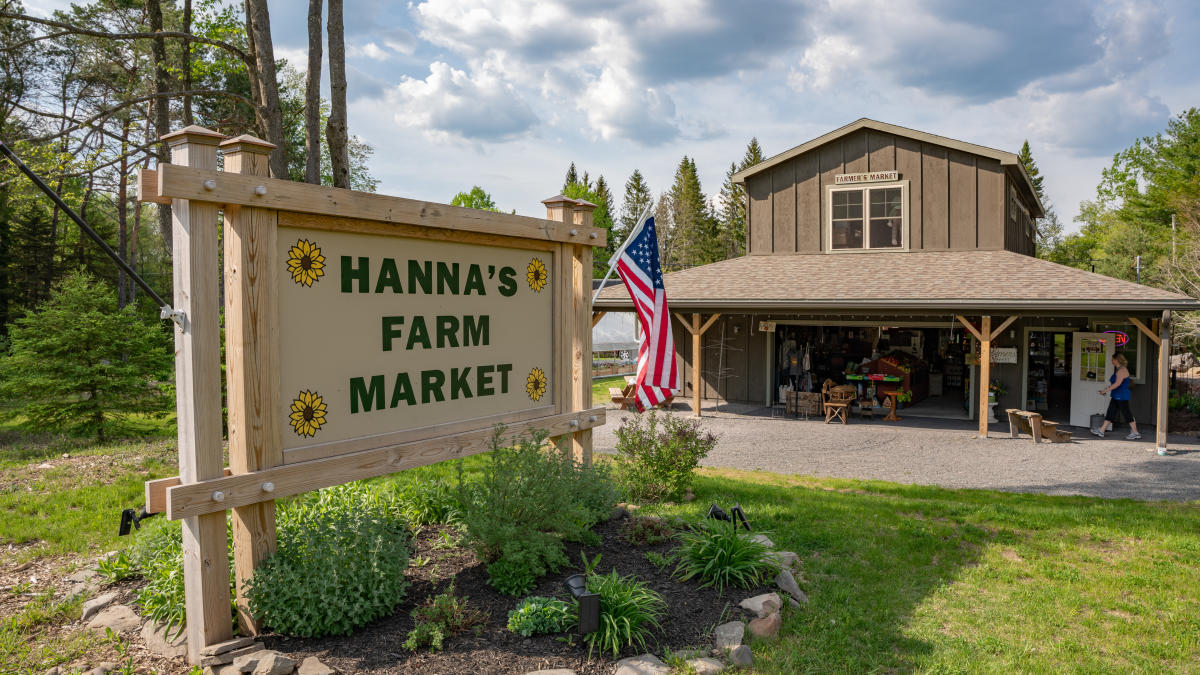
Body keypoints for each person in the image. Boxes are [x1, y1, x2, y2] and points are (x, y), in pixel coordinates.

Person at [1091, 353, 1140, 440]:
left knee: (1127, 414)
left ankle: (1135, 433)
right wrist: (1107, 389)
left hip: (1121, 396)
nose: (1111, 361)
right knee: (1111, 412)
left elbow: (1117, 384)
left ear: (1116, 360)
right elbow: (1116, 384)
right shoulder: (1119, 369)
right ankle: (1101, 431)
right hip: (1117, 395)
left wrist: (1105, 391)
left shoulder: (1122, 370)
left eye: (1112, 359)